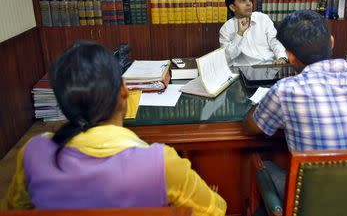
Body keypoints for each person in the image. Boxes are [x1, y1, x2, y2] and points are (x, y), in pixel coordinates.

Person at [5, 41, 226, 216]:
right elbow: (215, 210)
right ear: (124, 90)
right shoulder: (161, 163)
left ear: (63, 103)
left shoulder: (33, 153)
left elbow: (16, 208)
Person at [243, 10, 347, 197]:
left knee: (265, 166)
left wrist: (263, 100)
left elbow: (251, 127)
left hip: (319, 203)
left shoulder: (287, 90)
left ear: (290, 57)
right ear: (332, 41)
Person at [219, 0, 287, 66]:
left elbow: (274, 41)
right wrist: (239, 34)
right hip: (244, 72)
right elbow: (226, 57)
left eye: (250, 0)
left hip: (270, 67)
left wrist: (282, 57)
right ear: (232, 7)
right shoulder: (226, 28)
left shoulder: (263, 18)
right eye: (243, 1)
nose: (249, 4)